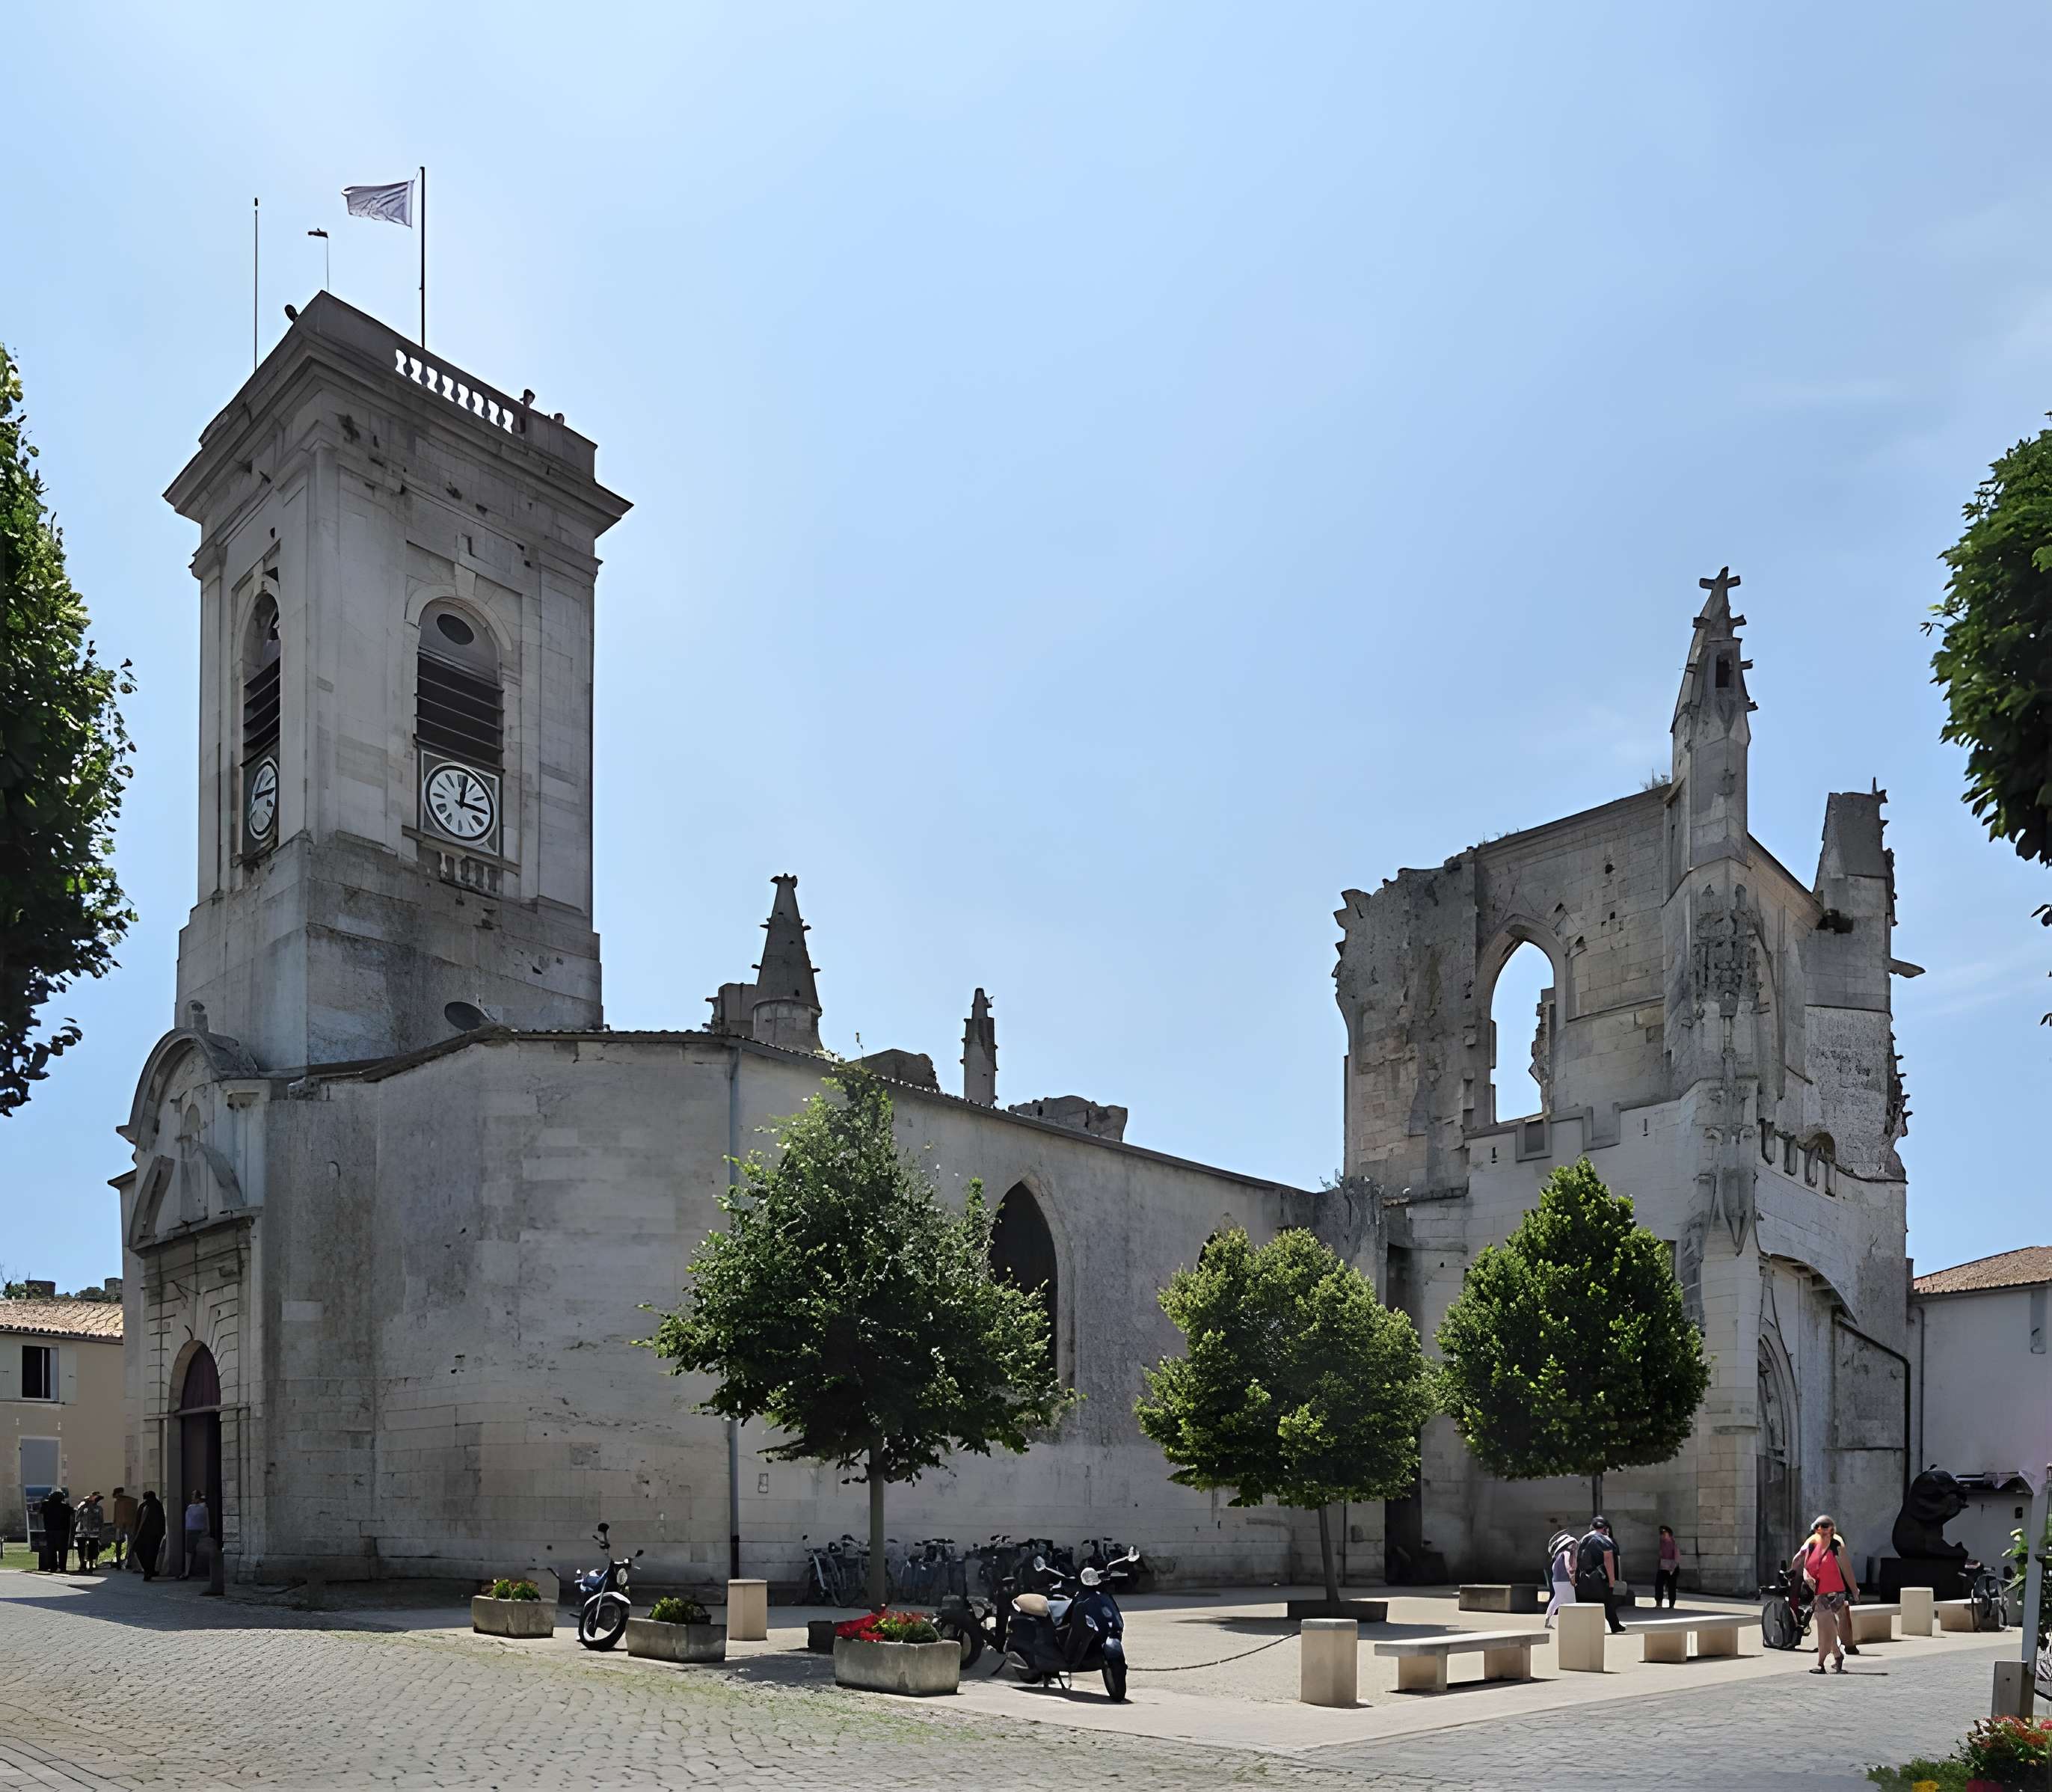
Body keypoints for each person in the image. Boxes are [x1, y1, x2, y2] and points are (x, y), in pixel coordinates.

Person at [1796, 1513, 1858, 1675]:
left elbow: (1801, 1563)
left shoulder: (1825, 1544)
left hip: (1829, 1594)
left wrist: (1854, 1590)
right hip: (1830, 1593)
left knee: (1825, 1627)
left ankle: (1822, 1663)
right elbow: (1807, 1567)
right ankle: (1836, 1655)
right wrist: (1854, 1591)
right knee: (1827, 1626)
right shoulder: (1825, 1544)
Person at [1576, 1516, 1626, 1634]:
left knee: (1584, 1602)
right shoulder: (1605, 1540)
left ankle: (1584, 1629)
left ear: (1592, 1527)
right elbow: (1608, 1559)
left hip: (1584, 1577)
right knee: (1606, 1602)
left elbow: (1577, 1559)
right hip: (1600, 1578)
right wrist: (1613, 1580)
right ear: (1605, 1528)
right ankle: (1615, 1626)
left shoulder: (1584, 1539)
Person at [1543, 1529, 1578, 1627]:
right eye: (1573, 1544)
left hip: (1557, 1581)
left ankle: (1548, 1619)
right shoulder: (1567, 1553)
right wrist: (1572, 1578)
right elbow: (1568, 1566)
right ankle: (1572, 1624)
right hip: (1565, 1581)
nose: (1575, 1546)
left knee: (1557, 1600)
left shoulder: (1558, 1556)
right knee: (1571, 1601)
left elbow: (1554, 1569)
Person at [133, 1490, 166, 1582]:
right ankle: (149, 1570)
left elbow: (160, 1520)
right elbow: (138, 1521)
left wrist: (160, 1533)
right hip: (144, 1535)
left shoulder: (156, 1506)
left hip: (153, 1535)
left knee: (150, 1554)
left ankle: (148, 1572)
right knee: (144, 1552)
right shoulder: (144, 1506)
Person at [182, 1491, 209, 1580]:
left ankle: (188, 1572)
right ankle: (189, 1572)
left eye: (193, 1496)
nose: (192, 1498)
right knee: (191, 1552)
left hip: (195, 1531)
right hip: (195, 1530)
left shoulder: (196, 1508)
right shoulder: (201, 1508)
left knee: (191, 1552)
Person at [110, 1487, 138, 1571]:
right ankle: (121, 1561)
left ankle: (127, 1561)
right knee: (123, 1543)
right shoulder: (119, 1502)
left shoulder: (130, 1501)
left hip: (127, 1525)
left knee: (128, 1543)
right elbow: (116, 1514)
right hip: (123, 1525)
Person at [74, 1492, 104, 1571]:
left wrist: (100, 1530)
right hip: (82, 1532)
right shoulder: (82, 1508)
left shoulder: (98, 1509)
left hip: (93, 1532)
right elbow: (77, 1518)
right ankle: (82, 1564)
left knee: (92, 1548)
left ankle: (90, 1564)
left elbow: (101, 1521)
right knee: (82, 1549)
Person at [1655, 1524, 1681, 1608]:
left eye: (1664, 1533)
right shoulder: (1662, 1542)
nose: (1662, 1535)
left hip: (1672, 1568)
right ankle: (1659, 1603)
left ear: (1669, 1534)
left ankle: (1671, 1604)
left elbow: (1677, 1557)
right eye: (1661, 1533)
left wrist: (1672, 1568)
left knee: (1671, 1586)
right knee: (1658, 1584)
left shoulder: (1673, 1543)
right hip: (1663, 1567)